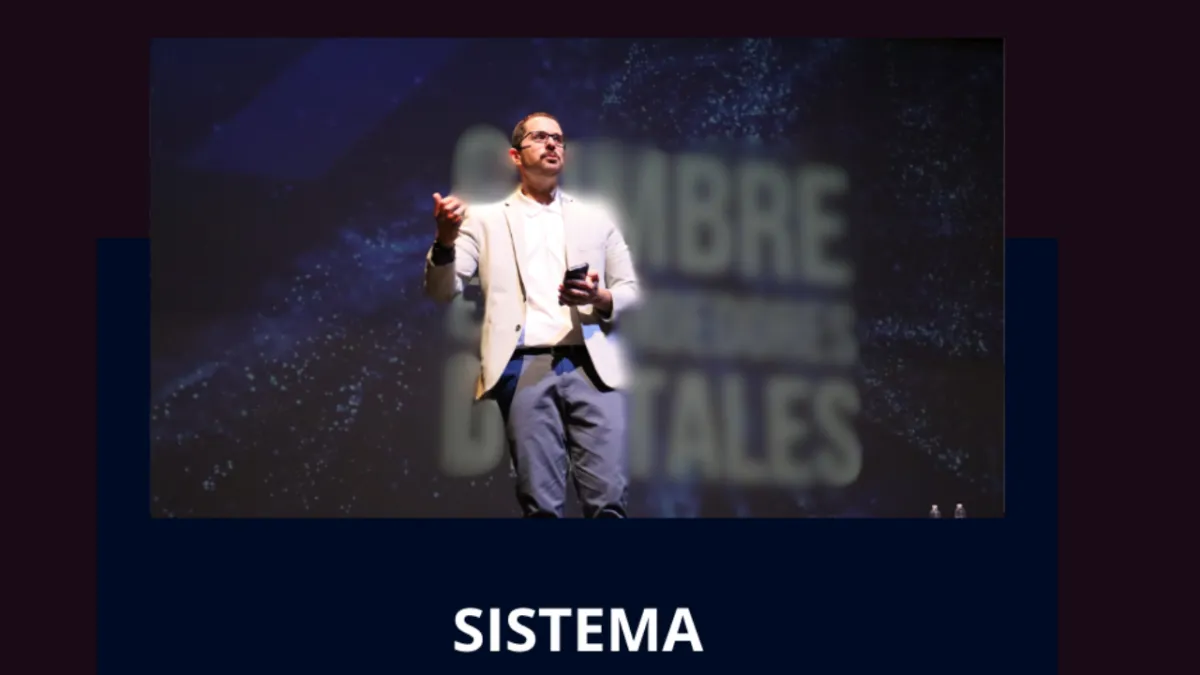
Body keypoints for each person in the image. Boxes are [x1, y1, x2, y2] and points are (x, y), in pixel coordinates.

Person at [423, 112, 641, 518]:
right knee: (540, 506)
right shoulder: (484, 221)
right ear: (515, 155)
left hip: (592, 366)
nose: (552, 144)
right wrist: (445, 241)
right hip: (524, 365)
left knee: (609, 502)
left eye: (558, 138)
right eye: (540, 137)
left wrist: (600, 296)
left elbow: (630, 291)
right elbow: (441, 290)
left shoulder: (595, 218)